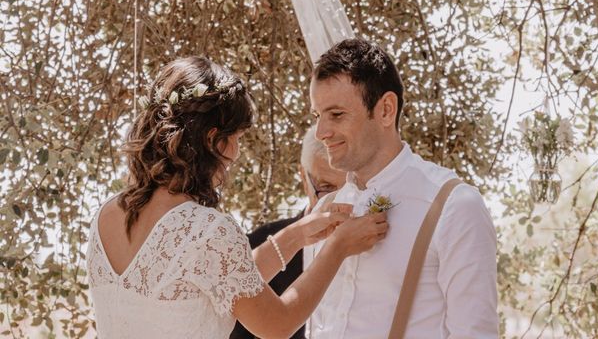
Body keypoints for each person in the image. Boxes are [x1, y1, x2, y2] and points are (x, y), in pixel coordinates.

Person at [86, 56, 388, 339]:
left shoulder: (107, 215)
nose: (236, 153)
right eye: (236, 139)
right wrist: (336, 249)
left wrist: (296, 236)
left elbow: (219, 282)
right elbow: (276, 324)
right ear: (211, 140)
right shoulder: (206, 230)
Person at [306, 38, 498, 339]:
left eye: (337, 115)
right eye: (318, 116)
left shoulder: (454, 206)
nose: (321, 132)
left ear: (385, 110)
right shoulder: (323, 211)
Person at [230, 126, 346, 339]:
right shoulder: (257, 244)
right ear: (304, 178)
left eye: (350, 188)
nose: (339, 202)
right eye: (327, 188)